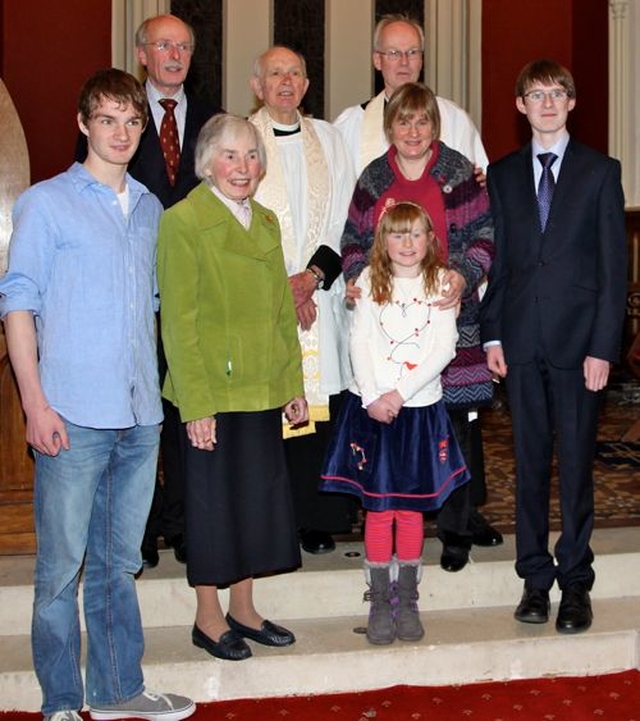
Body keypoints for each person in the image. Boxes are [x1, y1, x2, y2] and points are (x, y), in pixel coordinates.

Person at [0, 69, 194, 721]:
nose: (120, 131)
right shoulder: (47, 203)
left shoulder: (149, 209)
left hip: (138, 415)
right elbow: (19, 302)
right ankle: (60, 699)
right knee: (60, 569)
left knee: (117, 566)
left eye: (131, 120)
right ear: (83, 123)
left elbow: (156, 308)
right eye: (107, 118)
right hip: (71, 413)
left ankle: (115, 689)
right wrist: (35, 402)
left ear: (144, 130)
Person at [334, 14, 501, 555]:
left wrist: (464, 274)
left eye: (421, 124)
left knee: (454, 419)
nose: (413, 133)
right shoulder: (374, 178)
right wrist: (359, 276)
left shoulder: (456, 170)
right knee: (395, 415)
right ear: (391, 129)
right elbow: (353, 239)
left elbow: (484, 232)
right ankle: (384, 509)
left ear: (434, 125)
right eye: (403, 125)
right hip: (386, 321)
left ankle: (456, 527)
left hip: (451, 310)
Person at [480, 59, 627, 633]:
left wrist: (603, 347)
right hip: (519, 341)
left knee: (576, 469)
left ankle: (575, 586)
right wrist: (492, 332)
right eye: (535, 94)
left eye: (556, 92)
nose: (545, 102)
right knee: (530, 466)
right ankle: (534, 581)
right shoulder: (503, 174)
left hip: (579, 345)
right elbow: (500, 263)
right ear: (520, 105)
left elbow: (614, 270)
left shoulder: (599, 171)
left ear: (571, 102)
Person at [157, 113, 308, 662]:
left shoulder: (265, 221)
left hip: (261, 387)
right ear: (206, 163)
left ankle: (243, 608)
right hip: (211, 394)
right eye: (230, 155)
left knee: (255, 500)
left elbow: (279, 315)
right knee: (212, 505)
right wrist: (196, 404)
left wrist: (293, 384)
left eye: (250, 156)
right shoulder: (183, 222)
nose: (242, 167)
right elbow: (179, 323)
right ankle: (207, 616)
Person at [321, 202, 470, 645]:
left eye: (416, 235)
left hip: (418, 408)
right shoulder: (368, 281)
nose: (407, 244)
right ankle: (378, 598)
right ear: (382, 240)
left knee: (410, 507)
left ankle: (407, 598)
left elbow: (444, 347)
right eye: (398, 235)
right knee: (378, 505)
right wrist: (372, 397)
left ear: (430, 240)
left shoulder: (441, 283)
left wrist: (398, 395)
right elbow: (360, 341)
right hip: (371, 410)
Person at [249, 46, 357, 554]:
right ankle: (272, 518)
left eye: (295, 72)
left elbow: (347, 214)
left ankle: (315, 516)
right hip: (263, 302)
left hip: (320, 297)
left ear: (307, 84)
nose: (285, 82)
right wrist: (281, 289)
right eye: (275, 74)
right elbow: (236, 217)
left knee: (320, 411)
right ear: (258, 85)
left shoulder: (331, 141)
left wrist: (311, 278)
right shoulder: (240, 139)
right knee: (268, 411)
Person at [133, 14, 220, 567]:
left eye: (184, 46)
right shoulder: (118, 114)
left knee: (191, 405)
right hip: (135, 289)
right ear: (143, 53)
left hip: (197, 291)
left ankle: (187, 522)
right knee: (140, 409)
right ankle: (139, 527)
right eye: (164, 45)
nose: (174, 54)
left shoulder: (213, 118)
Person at [333, 13, 488, 175]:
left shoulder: (454, 119)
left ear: (422, 60)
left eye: (413, 52)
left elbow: (478, 186)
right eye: (394, 53)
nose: (404, 62)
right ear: (377, 60)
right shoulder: (350, 124)